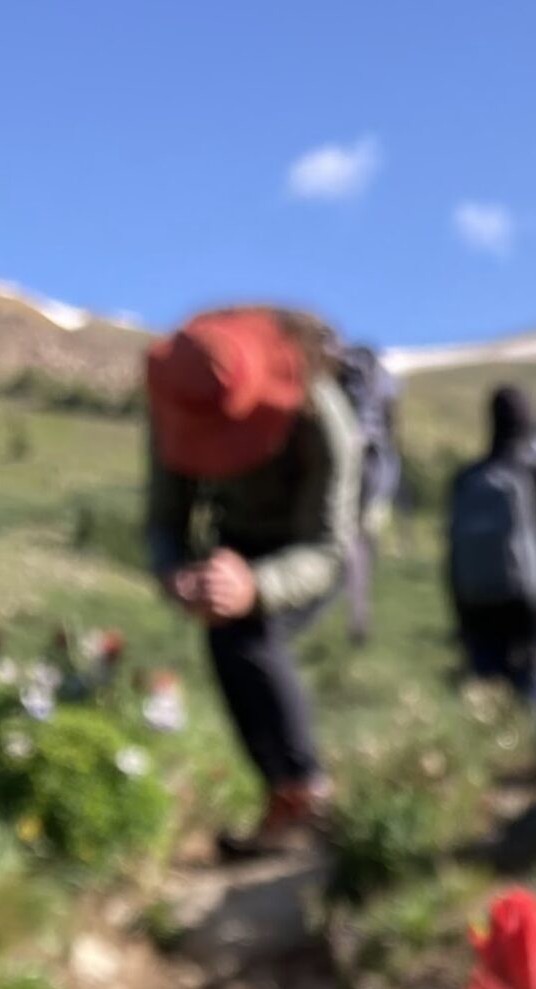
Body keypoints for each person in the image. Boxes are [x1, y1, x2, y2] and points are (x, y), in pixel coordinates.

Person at [145, 306, 359, 860]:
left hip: (307, 549)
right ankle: (284, 798)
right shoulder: (178, 401)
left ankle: (308, 795)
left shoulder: (323, 419)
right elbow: (164, 521)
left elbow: (329, 547)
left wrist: (256, 586)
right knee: (225, 643)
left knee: (252, 636)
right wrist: (175, 574)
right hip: (233, 547)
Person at [446, 384, 536, 712]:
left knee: (486, 701)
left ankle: (486, 754)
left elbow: (452, 553)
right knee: (535, 700)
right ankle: (530, 756)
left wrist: (460, 615)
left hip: (477, 605)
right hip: (534, 606)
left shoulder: (467, 478)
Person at [335, 343, 402, 646]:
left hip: (346, 459)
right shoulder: (385, 380)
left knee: (344, 534)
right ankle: (357, 614)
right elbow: (391, 427)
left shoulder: (341, 373)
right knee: (361, 538)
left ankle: (344, 608)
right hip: (376, 466)